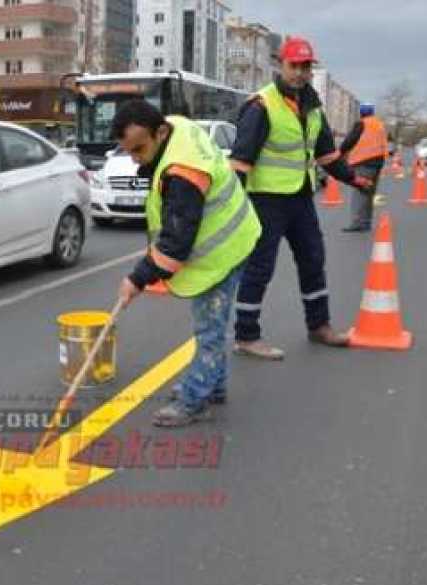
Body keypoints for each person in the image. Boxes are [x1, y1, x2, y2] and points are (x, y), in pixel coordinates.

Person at [113, 100, 262, 427]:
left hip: (225, 250)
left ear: (160, 132)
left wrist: (137, 280)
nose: (136, 158)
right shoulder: (177, 127)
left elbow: (175, 244)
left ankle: (194, 400)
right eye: (130, 152)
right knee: (212, 323)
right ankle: (214, 385)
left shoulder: (182, 174)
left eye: (140, 149)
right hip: (235, 234)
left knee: (209, 328)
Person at [229, 36, 373, 360]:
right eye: (294, 65)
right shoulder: (261, 105)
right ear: (281, 65)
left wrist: (352, 178)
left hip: (299, 196)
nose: (300, 72)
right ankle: (246, 335)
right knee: (260, 267)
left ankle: (319, 325)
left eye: (306, 66)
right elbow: (240, 161)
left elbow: (325, 155)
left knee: (313, 259)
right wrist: (231, 205)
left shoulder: (313, 107)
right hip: (265, 200)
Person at [340, 102, 388, 232]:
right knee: (369, 193)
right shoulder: (379, 124)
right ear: (372, 112)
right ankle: (366, 222)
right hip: (378, 162)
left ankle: (357, 223)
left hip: (363, 161)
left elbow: (350, 141)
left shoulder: (362, 123)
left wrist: (339, 153)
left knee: (359, 193)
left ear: (361, 113)